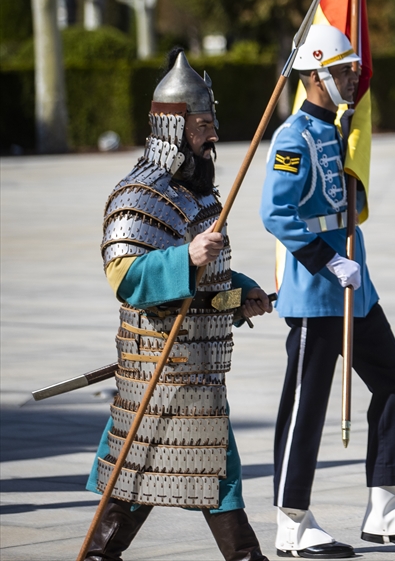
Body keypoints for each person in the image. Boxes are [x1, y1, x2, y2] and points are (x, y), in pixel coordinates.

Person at [85, 50, 272, 561]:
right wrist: (183, 257)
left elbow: (208, 283)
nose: (213, 136)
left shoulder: (201, 195)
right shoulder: (138, 196)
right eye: (204, 124)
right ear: (173, 125)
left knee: (208, 473)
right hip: (156, 366)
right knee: (142, 473)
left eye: (213, 123)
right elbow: (125, 280)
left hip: (198, 367)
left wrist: (240, 294)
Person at [262, 25, 395, 558]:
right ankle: (291, 522)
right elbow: (276, 213)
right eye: (344, 70)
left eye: (353, 69)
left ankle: (385, 508)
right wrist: (327, 259)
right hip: (316, 291)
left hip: (356, 288)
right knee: (306, 407)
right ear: (314, 76)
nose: (355, 77)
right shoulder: (292, 138)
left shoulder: (334, 131)